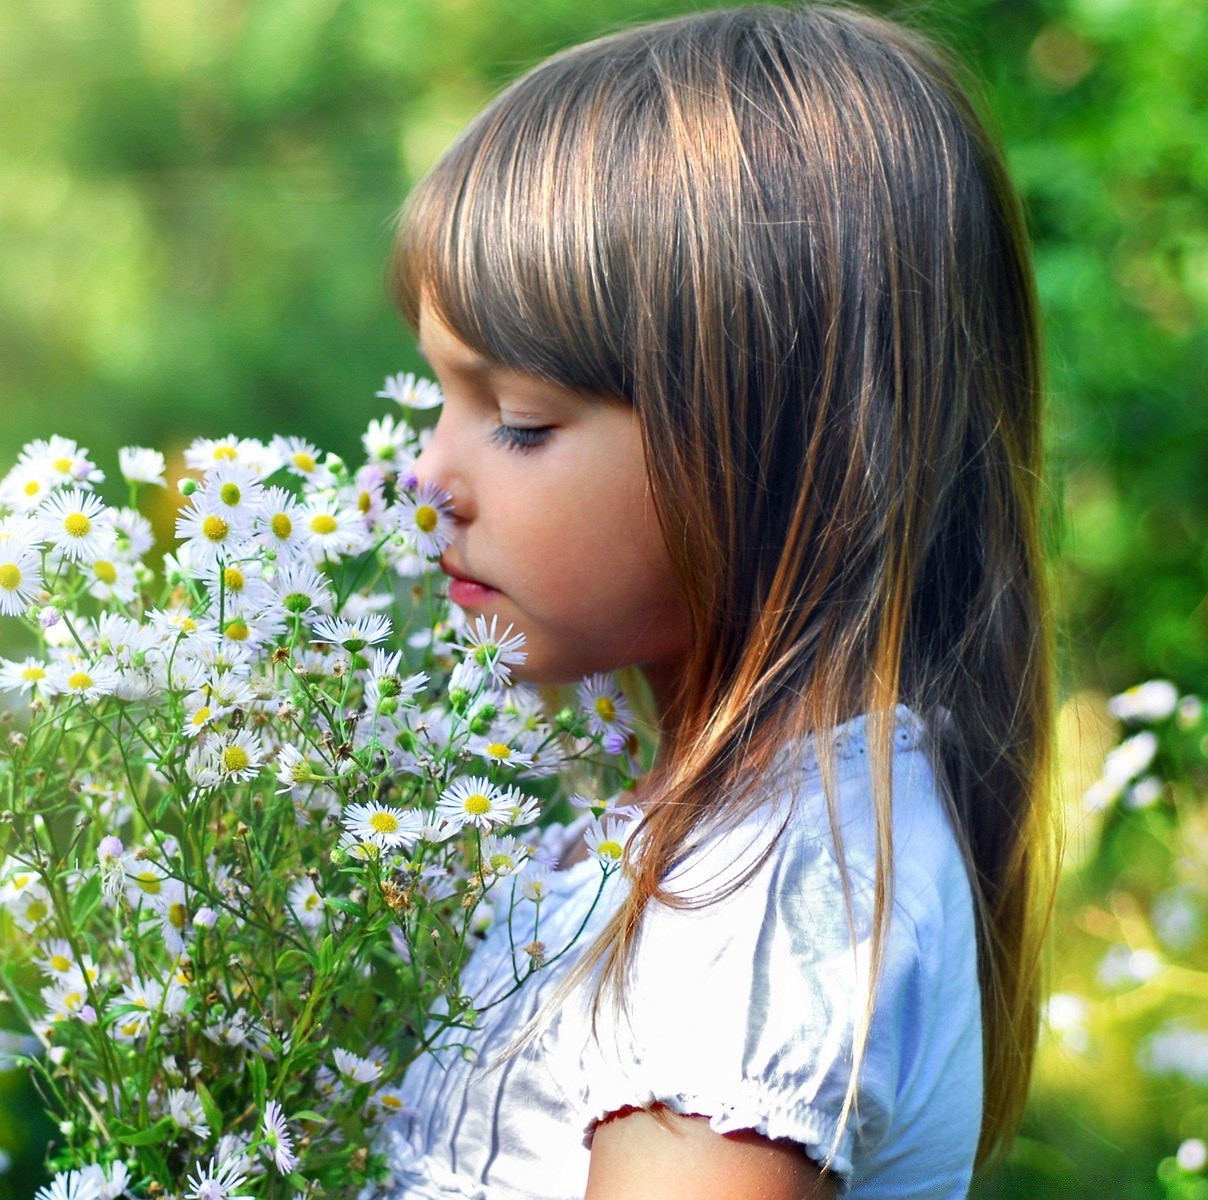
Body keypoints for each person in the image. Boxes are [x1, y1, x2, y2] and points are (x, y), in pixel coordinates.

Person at [373, 4, 1058, 1198]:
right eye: (441, 397)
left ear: (772, 452)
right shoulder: (738, 848)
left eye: (519, 421)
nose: (428, 478)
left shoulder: (757, 908)